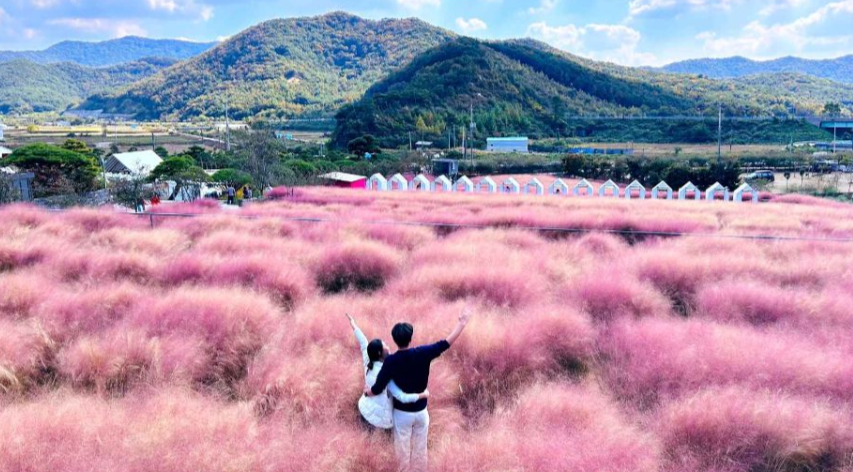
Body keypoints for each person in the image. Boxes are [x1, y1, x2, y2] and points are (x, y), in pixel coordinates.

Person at [365, 309, 472, 472]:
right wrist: (461, 323)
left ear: (394, 340)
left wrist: (368, 392)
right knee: (420, 453)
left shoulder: (391, 362)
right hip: (422, 413)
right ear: (410, 337)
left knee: (402, 454)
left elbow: (378, 388)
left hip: (402, 414)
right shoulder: (423, 353)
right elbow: (446, 343)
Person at [346, 314, 428, 429]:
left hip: (364, 409)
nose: (389, 347)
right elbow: (401, 395)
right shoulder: (388, 373)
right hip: (379, 422)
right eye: (386, 346)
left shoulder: (368, 361)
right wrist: (422, 395)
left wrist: (353, 324)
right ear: (380, 353)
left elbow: (363, 342)